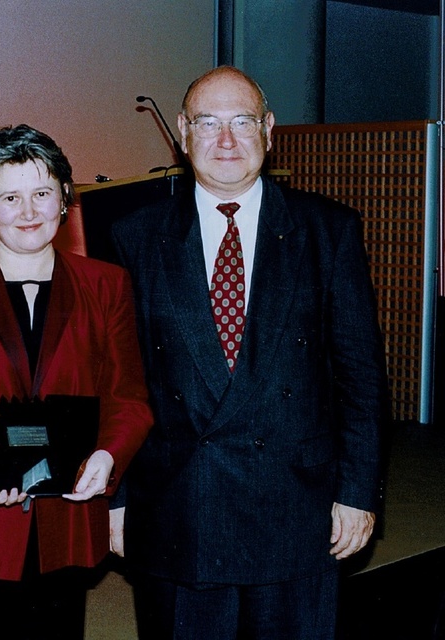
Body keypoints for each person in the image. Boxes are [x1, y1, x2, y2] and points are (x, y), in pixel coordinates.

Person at [110, 66, 388, 639]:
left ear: (268, 128)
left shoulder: (327, 230)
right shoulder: (134, 235)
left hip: (297, 507)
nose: (226, 140)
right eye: (209, 123)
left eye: (242, 122)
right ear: (183, 132)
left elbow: (360, 377)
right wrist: (114, 501)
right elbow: (117, 383)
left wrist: (357, 493)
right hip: (180, 509)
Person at [0, 124, 153, 639]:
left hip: (65, 521)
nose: (28, 212)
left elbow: (128, 396)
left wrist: (108, 456)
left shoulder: (106, 285)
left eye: (42, 193)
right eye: (10, 197)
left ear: (64, 199)